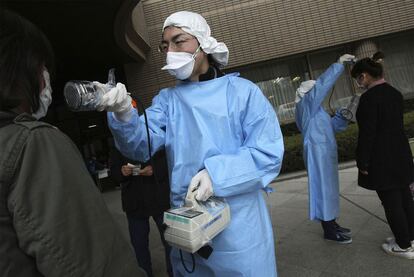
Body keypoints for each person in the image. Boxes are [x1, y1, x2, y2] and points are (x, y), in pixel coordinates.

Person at [98, 11, 284, 277]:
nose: (170, 51)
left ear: (203, 43)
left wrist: (215, 174)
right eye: (165, 46)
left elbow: (268, 154)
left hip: (239, 230)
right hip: (186, 226)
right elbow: (139, 147)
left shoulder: (242, 93)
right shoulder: (167, 101)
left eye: (179, 41)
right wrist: (124, 114)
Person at [0, 9, 146, 276]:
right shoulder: (31, 142)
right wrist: (125, 116)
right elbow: (93, 265)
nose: (46, 80)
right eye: (43, 67)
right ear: (20, 67)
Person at [351, 57, 414, 259]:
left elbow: (367, 134)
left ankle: (403, 246)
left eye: (358, 79)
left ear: (365, 76)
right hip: (401, 154)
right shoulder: (394, 93)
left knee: (391, 202)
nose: (359, 84)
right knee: (405, 197)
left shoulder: (369, 99)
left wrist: (363, 161)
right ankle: (409, 238)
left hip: (381, 158)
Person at [295, 54, 355, 244]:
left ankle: (332, 223)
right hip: (316, 154)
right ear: (308, 94)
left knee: (329, 189)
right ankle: (328, 229)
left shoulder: (316, 110)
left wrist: (343, 115)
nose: (319, 96)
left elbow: (330, 127)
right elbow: (320, 87)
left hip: (325, 153)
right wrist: (338, 65)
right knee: (322, 189)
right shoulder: (304, 105)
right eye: (315, 93)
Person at [111, 148, 173, 277]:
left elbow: (169, 162)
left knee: (170, 242)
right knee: (139, 245)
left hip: (159, 199)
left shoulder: (156, 135)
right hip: (134, 202)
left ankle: (173, 273)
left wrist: (154, 169)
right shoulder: (119, 142)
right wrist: (122, 172)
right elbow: (115, 173)